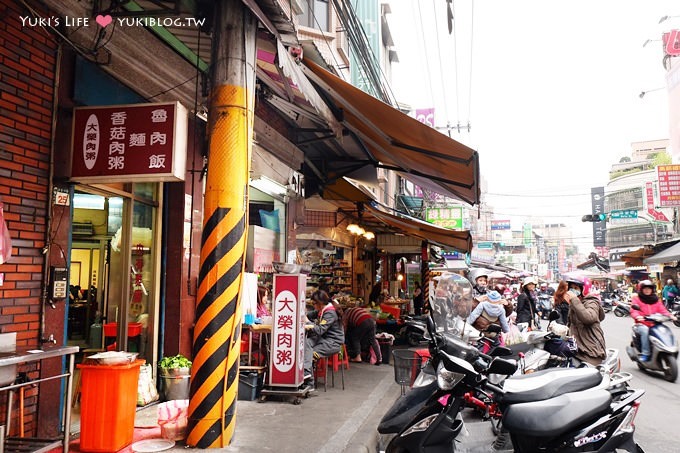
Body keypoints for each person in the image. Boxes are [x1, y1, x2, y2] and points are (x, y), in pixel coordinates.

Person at [303, 290, 345, 387]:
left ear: (320, 303)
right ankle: (306, 375)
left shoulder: (330, 313)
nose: (313, 305)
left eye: (314, 303)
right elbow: (310, 314)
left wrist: (307, 321)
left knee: (308, 354)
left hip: (332, 343)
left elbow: (320, 330)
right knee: (307, 343)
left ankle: (309, 382)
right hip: (324, 339)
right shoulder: (321, 310)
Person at [630, 279, 677, 362]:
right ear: (641, 289)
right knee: (645, 330)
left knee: (664, 329)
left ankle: (669, 348)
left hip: (655, 323)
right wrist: (638, 316)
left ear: (652, 289)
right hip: (641, 324)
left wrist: (670, 316)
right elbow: (634, 310)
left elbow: (662, 310)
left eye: (649, 288)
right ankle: (646, 353)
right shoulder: (636, 299)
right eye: (645, 288)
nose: (647, 290)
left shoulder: (656, 299)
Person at [564, 276, 606, 366]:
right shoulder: (575, 303)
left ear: (584, 289)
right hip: (577, 349)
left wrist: (574, 300)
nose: (572, 290)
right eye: (571, 288)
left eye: (576, 288)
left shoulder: (591, 302)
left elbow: (588, 318)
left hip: (590, 352)